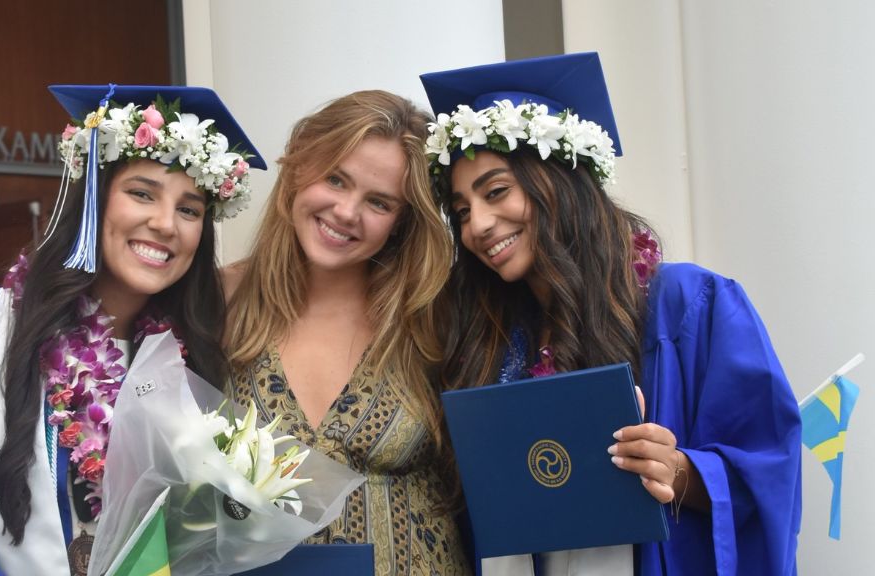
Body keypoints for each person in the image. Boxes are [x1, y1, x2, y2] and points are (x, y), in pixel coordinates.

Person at [0, 84, 265, 575]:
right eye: (141, 193)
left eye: (190, 209)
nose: (165, 223)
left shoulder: (189, 366)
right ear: (92, 201)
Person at [424, 53, 801, 576]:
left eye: (497, 191)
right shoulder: (489, 336)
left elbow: (769, 467)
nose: (479, 225)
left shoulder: (688, 304)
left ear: (561, 179)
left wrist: (681, 470)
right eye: (462, 211)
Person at [224, 90, 471, 575]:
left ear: (401, 223)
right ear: (298, 167)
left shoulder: (433, 315)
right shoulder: (220, 301)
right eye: (335, 179)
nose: (345, 212)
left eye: (378, 202)